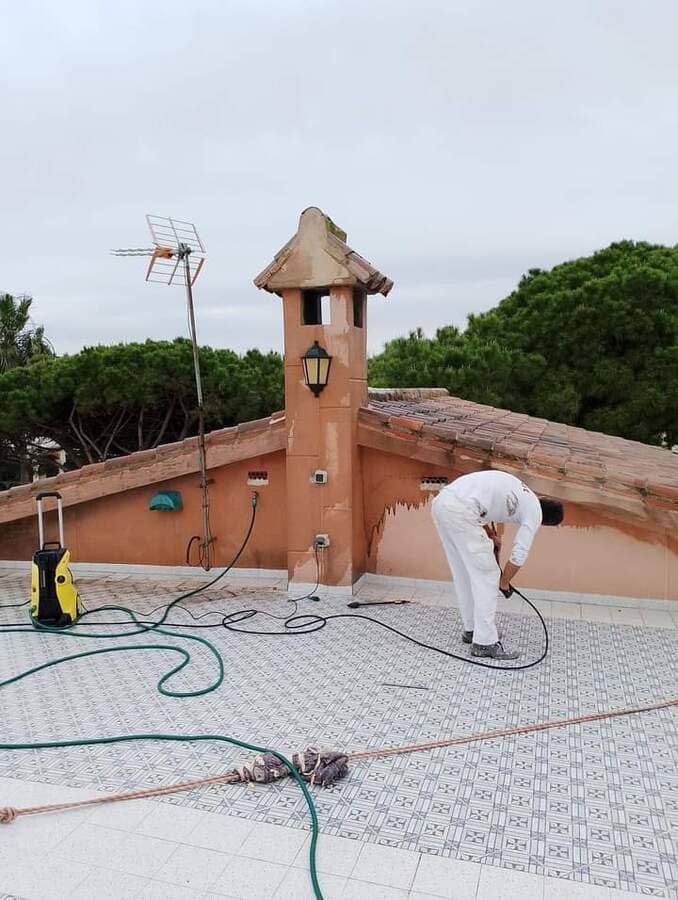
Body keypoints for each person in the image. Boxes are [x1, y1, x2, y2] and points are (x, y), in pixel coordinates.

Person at [431, 470, 563, 660]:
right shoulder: (535, 512)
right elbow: (519, 554)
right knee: (488, 577)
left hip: (443, 503)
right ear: (546, 521)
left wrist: (489, 534)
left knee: (464, 572)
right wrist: (504, 581)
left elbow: (481, 502)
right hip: (460, 511)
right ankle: (484, 643)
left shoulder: (523, 493)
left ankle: (472, 630)